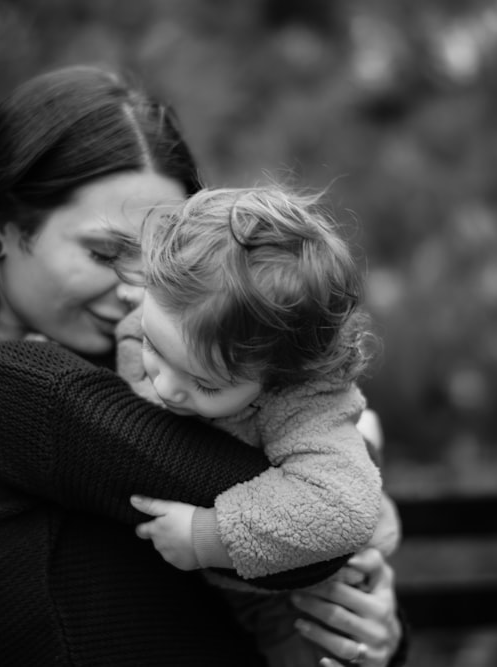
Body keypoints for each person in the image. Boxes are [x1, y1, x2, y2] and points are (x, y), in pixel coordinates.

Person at [0, 64, 407, 667]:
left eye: (160, 258)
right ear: (2, 230)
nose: (133, 287)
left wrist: (372, 636)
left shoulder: (146, 370)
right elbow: (321, 532)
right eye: (103, 252)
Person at [110, 185, 396, 667]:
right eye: (155, 348)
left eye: (205, 383)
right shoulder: (176, 311)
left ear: (280, 375)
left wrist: (210, 533)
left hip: (299, 594)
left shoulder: (304, 401)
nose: (169, 388)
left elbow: (341, 505)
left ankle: (365, 438)